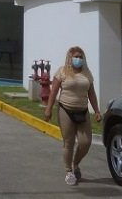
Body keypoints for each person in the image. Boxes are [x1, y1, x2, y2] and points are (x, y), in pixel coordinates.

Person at [44, 46, 102, 187]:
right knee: (68, 142)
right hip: (66, 110)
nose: (78, 59)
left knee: (85, 142)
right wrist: (49, 108)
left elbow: (92, 94)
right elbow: (54, 91)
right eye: (76, 56)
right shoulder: (62, 71)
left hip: (82, 111)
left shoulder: (87, 73)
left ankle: (76, 163)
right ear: (70, 58)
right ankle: (69, 171)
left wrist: (97, 111)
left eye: (81, 57)